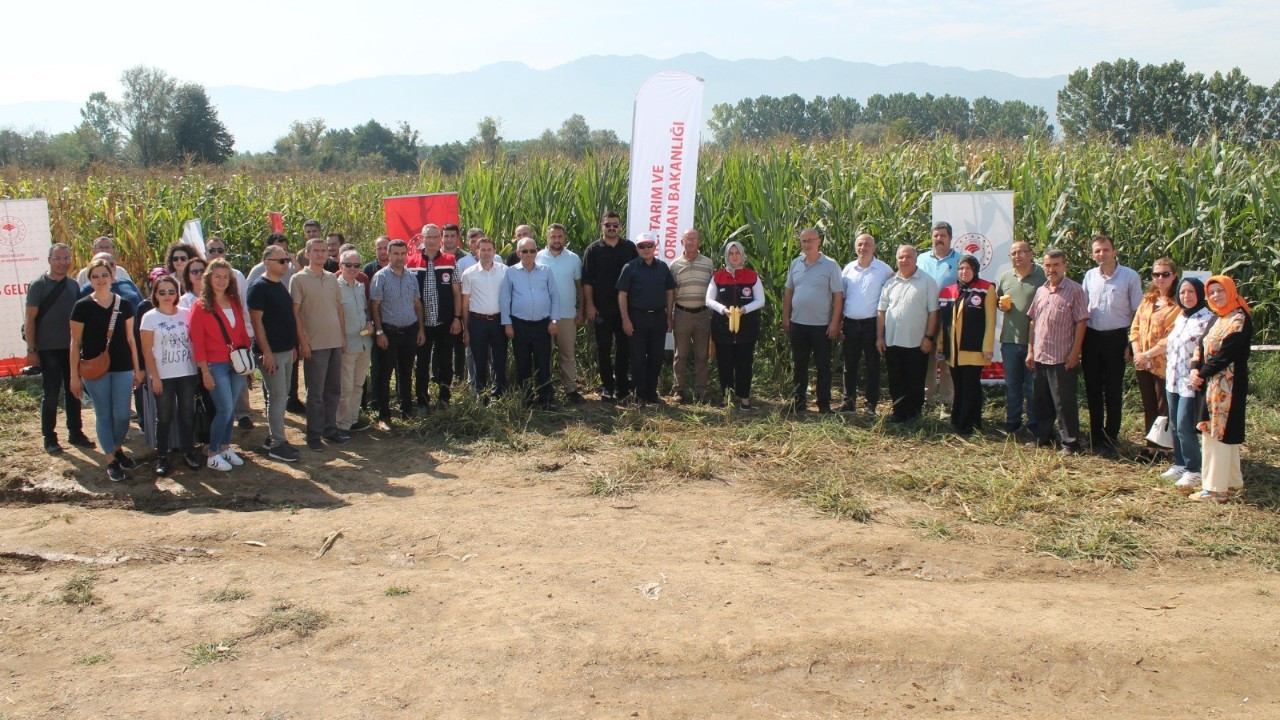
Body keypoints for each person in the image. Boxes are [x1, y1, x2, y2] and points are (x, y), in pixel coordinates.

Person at [70, 258, 143, 482]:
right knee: (104, 414)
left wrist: (137, 370)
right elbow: (75, 343)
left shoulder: (125, 304)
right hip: (94, 369)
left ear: (113, 277)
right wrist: (74, 376)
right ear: (89, 279)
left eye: (105, 275)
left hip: (122, 367)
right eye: (96, 276)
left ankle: (118, 448)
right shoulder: (82, 306)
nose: (101, 279)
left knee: (122, 414)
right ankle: (110, 459)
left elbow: (132, 340)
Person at [1187, 276, 1252, 502]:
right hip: (1210, 384)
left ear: (1230, 291)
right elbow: (1201, 345)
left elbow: (1227, 354)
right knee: (1220, 434)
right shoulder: (1218, 316)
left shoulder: (1239, 318)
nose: (1215, 295)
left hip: (1229, 386)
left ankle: (1215, 489)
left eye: (1220, 291)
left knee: (1219, 435)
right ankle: (1232, 482)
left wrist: (1201, 374)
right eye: (1211, 292)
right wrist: (1195, 368)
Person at [25, 243, 94, 454]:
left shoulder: (74, 286)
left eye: (66, 258)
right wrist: (32, 349)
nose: (62, 262)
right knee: (52, 394)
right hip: (47, 350)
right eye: (58, 258)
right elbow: (30, 319)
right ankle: (50, 437)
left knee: (75, 391)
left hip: (71, 349)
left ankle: (75, 432)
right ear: (49, 260)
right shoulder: (39, 285)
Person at [1081, 234, 1143, 454]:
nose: (1101, 254)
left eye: (1105, 250)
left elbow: (1138, 312)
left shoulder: (1129, 276)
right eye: (1097, 251)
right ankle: (1095, 435)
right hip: (1092, 338)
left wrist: (1131, 343)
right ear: (1092, 254)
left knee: (1113, 390)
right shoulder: (1089, 276)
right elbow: (1083, 309)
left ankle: (1111, 436)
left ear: (1114, 252)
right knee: (1093, 390)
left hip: (1117, 338)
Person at [188, 259, 251, 472]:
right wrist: (204, 371)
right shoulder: (200, 306)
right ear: (209, 278)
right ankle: (213, 452)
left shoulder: (233, 300)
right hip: (215, 365)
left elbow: (241, 330)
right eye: (217, 276)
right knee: (223, 409)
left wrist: (246, 359)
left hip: (236, 363)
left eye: (226, 277)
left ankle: (225, 447)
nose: (222, 281)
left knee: (231, 408)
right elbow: (197, 341)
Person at [1026, 249, 1090, 454]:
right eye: (1047, 265)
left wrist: (1075, 352)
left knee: (1064, 402)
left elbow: (1081, 323)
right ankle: (1044, 437)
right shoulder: (1041, 290)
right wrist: (1030, 350)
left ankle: (1070, 443)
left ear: (1064, 266)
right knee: (1042, 400)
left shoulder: (1075, 290)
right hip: (1041, 355)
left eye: (1056, 265)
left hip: (1062, 356)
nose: (1051, 269)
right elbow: (1033, 321)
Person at [139, 275, 201, 475]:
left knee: (186, 414)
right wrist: (154, 377)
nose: (167, 295)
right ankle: (162, 456)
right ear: (155, 294)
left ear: (177, 293)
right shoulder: (149, 317)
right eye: (162, 292)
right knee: (164, 417)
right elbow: (147, 351)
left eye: (171, 291)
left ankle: (188, 451)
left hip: (187, 372)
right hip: (163, 376)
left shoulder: (186, 313)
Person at [292, 237, 348, 450]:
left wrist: (342, 336)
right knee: (315, 393)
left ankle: (330, 430)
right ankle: (314, 435)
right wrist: (303, 341)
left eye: (323, 250)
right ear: (307, 254)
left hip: (334, 341)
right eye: (315, 251)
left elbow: (338, 309)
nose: (320, 254)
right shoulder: (298, 279)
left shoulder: (332, 278)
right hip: (314, 344)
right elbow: (295, 313)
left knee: (333, 390)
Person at [247, 244, 301, 462]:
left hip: (286, 350)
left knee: (283, 392)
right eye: (282, 261)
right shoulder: (259, 287)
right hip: (272, 353)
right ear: (267, 263)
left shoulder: (279, 285)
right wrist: (266, 352)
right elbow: (257, 323)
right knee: (277, 396)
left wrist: (292, 346)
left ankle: (274, 436)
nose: (286, 264)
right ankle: (277, 444)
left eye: (287, 260)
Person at [783, 228, 843, 414]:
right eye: (803, 241)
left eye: (810, 240)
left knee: (823, 366)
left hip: (821, 326)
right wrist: (786, 316)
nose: (807, 244)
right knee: (800, 364)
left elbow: (838, 296)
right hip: (798, 324)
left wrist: (834, 322)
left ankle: (823, 404)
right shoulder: (796, 263)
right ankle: (799, 402)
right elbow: (788, 292)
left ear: (819, 241)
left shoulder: (831, 266)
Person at [1161, 278, 1214, 488]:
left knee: (1184, 425)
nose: (1186, 296)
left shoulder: (1208, 319)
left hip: (1191, 382)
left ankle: (1194, 469)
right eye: (1182, 292)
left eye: (1191, 292)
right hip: (1172, 379)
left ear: (1200, 294)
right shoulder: (1181, 316)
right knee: (1174, 424)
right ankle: (1180, 463)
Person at [877, 245, 939, 423]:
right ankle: (898, 412)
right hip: (892, 340)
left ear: (915, 259)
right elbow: (881, 311)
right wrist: (880, 337)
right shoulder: (890, 283)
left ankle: (913, 414)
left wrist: (929, 337)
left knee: (915, 380)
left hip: (917, 342)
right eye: (901, 257)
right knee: (896, 379)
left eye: (908, 257)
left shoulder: (927, 281)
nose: (904, 261)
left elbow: (933, 312)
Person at [582, 211, 638, 401]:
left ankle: (622, 388)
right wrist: (589, 305)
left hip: (625, 311)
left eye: (615, 225)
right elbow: (587, 281)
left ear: (620, 227)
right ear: (602, 226)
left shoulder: (629, 248)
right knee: (603, 350)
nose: (612, 228)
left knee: (624, 349)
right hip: (601, 310)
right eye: (608, 225)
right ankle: (607, 386)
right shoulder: (593, 250)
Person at [370, 239, 425, 428]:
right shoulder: (381, 277)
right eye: (396, 254)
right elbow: (375, 306)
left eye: (403, 253)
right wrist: (379, 332)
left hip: (409, 331)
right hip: (389, 332)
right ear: (389, 253)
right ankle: (384, 416)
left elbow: (417, 304)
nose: (399, 257)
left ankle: (406, 411)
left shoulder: (411, 277)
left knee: (406, 373)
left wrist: (421, 329)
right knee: (385, 374)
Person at [939, 255, 996, 435]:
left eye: (968, 269)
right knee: (959, 386)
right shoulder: (948, 291)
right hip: (953, 351)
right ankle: (958, 420)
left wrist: (987, 347)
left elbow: (990, 320)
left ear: (975, 270)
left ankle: (967, 424)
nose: (964, 272)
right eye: (961, 268)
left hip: (973, 348)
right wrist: (941, 345)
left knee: (971, 386)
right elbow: (944, 323)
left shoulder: (986, 288)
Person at [1129, 258, 1181, 451]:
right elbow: (1135, 328)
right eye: (1156, 274)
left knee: (1163, 407)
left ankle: (1165, 448)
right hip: (1142, 362)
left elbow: (1171, 336)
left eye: (1165, 274)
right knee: (1149, 406)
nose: (1160, 278)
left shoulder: (1178, 303)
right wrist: (1138, 354)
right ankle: (1151, 447)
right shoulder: (1148, 299)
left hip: (1164, 363)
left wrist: (1148, 355)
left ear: (1174, 276)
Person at [706, 241, 766, 410]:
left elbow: (760, 300)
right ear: (727, 255)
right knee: (724, 364)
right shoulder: (718, 276)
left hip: (746, 329)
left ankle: (745, 398)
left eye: (737, 253)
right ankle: (726, 396)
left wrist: (745, 309)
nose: (734, 256)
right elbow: (709, 299)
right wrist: (723, 309)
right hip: (722, 328)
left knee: (744, 364)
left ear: (742, 255)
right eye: (731, 253)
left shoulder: (751, 276)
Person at [501, 237, 560, 408]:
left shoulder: (546, 270)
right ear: (518, 253)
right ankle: (526, 398)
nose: (529, 254)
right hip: (520, 325)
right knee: (523, 363)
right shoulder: (510, 272)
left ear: (537, 251)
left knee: (543, 362)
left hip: (542, 325)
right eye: (524, 251)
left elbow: (554, 296)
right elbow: (505, 299)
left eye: (532, 251)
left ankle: (546, 399)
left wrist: (553, 320)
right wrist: (507, 324)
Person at [617, 233, 675, 405]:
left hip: (658, 317)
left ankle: (651, 393)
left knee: (656, 357)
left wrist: (669, 316)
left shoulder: (663, 267)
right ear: (637, 248)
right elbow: (622, 294)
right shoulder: (630, 267)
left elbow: (670, 292)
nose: (646, 249)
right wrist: (625, 319)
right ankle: (639, 395)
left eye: (649, 245)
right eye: (642, 246)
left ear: (655, 246)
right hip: (637, 318)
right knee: (637, 358)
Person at [995, 241, 1046, 435]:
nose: (1017, 256)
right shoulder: (1006, 277)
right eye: (1013, 253)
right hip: (1009, 339)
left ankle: (1034, 422)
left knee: (1033, 387)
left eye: (1021, 252)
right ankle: (1013, 421)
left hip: (1035, 341)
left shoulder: (1042, 275)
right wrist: (1002, 306)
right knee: (1012, 385)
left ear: (1031, 254)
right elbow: (999, 300)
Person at [839, 233, 893, 414]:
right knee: (849, 365)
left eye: (867, 244)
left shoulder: (884, 270)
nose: (863, 248)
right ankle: (849, 403)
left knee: (872, 365)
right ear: (855, 248)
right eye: (860, 244)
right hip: (850, 324)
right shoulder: (847, 270)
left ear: (874, 248)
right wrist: (839, 322)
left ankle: (871, 404)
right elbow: (842, 298)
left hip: (872, 325)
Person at [206, 236, 255, 431]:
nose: (217, 253)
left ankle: (242, 413)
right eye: (212, 250)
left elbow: (242, 305)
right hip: (214, 341)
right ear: (206, 253)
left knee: (240, 372)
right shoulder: (202, 275)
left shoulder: (236, 275)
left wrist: (247, 332)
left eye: (220, 250)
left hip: (238, 333)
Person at [413, 224, 461, 410]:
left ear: (439, 238)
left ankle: (444, 399)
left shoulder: (450, 260)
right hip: (421, 325)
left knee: (446, 363)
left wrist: (457, 318)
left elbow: (457, 293)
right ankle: (423, 402)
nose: (432, 241)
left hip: (445, 322)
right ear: (422, 238)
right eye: (428, 237)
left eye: (435, 237)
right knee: (422, 365)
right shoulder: (412, 262)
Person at [536, 223, 586, 403]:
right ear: (547, 238)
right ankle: (546, 390)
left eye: (560, 237)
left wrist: (581, 310)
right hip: (543, 316)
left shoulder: (573, 259)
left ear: (564, 238)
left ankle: (571, 390)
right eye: (553, 237)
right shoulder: (538, 257)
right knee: (544, 354)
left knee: (567, 353)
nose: (556, 240)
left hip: (567, 314)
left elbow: (580, 288)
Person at [918, 221, 960, 417]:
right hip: (925, 317)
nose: (939, 239)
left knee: (946, 362)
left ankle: (947, 403)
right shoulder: (921, 259)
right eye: (935, 235)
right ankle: (928, 402)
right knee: (926, 361)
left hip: (949, 319)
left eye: (943, 235)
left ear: (950, 238)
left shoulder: (960, 260)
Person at [668, 229, 715, 404]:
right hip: (682, 314)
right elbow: (671, 293)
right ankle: (678, 390)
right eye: (687, 239)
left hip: (703, 314)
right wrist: (670, 316)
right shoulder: (674, 265)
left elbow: (713, 290)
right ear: (682, 243)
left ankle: (702, 390)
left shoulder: (708, 263)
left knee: (702, 355)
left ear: (699, 242)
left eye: (694, 239)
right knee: (680, 355)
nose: (690, 242)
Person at [461, 237, 509, 401]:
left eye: (490, 249)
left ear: (495, 252)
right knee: (479, 360)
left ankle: (499, 394)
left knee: (499, 359)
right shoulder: (469, 273)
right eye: (483, 249)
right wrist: (466, 329)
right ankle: (481, 395)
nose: (486, 253)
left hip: (498, 321)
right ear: (476, 251)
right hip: (477, 322)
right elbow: (465, 302)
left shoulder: (504, 270)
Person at [337, 250, 373, 433]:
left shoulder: (360, 286)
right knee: (345, 387)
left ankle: (352, 419)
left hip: (364, 343)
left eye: (356, 265)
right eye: (348, 265)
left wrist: (369, 322)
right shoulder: (335, 288)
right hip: (347, 345)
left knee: (358, 385)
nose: (352, 269)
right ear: (340, 266)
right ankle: (342, 425)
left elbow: (365, 310)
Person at [78, 253, 142, 311]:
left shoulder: (127, 283)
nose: (107, 267)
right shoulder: (86, 290)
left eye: (110, 264)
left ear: (115, 264)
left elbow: (142, 306)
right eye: (98, 265)